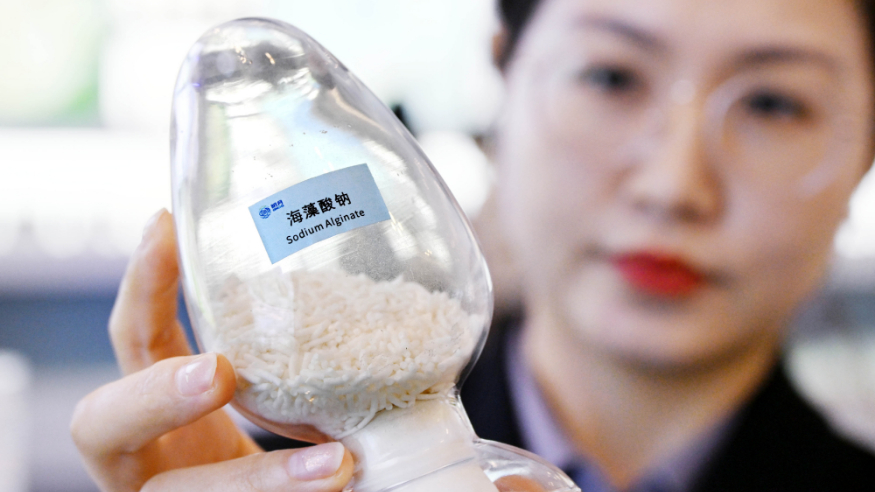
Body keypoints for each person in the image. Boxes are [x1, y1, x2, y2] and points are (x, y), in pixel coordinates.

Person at [70, 0, 875, 491]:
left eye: (773, 103)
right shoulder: (265, 468)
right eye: (610, 77)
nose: (672, 184)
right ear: (502, 78)